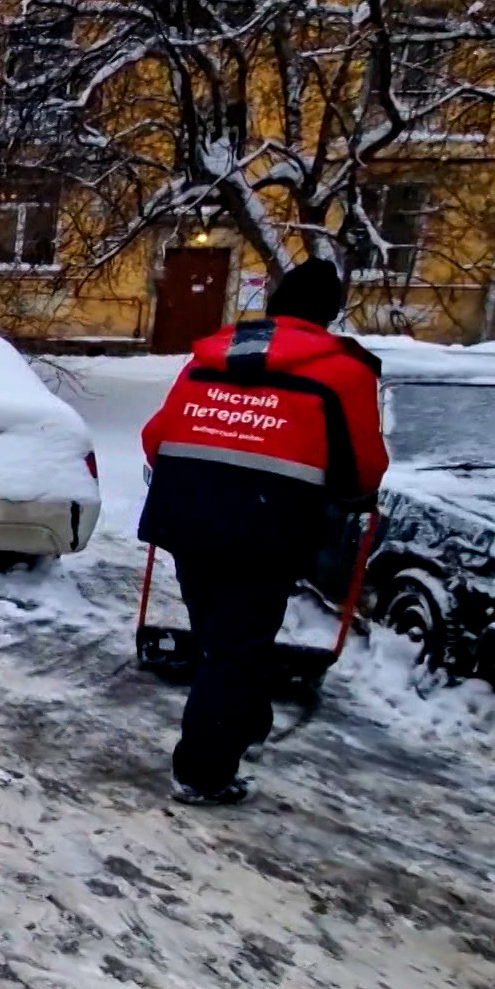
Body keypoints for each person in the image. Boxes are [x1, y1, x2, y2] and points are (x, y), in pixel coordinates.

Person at [139, 258, 387, 806]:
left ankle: (244, 722)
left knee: (221, 640)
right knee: (234, 651)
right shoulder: (344, 371)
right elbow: (363, 470)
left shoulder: (210, 357)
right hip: (267, 527)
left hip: (188, 518)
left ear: (273, 304)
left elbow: (155, 438)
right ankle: (202, 773)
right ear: (330, 313)